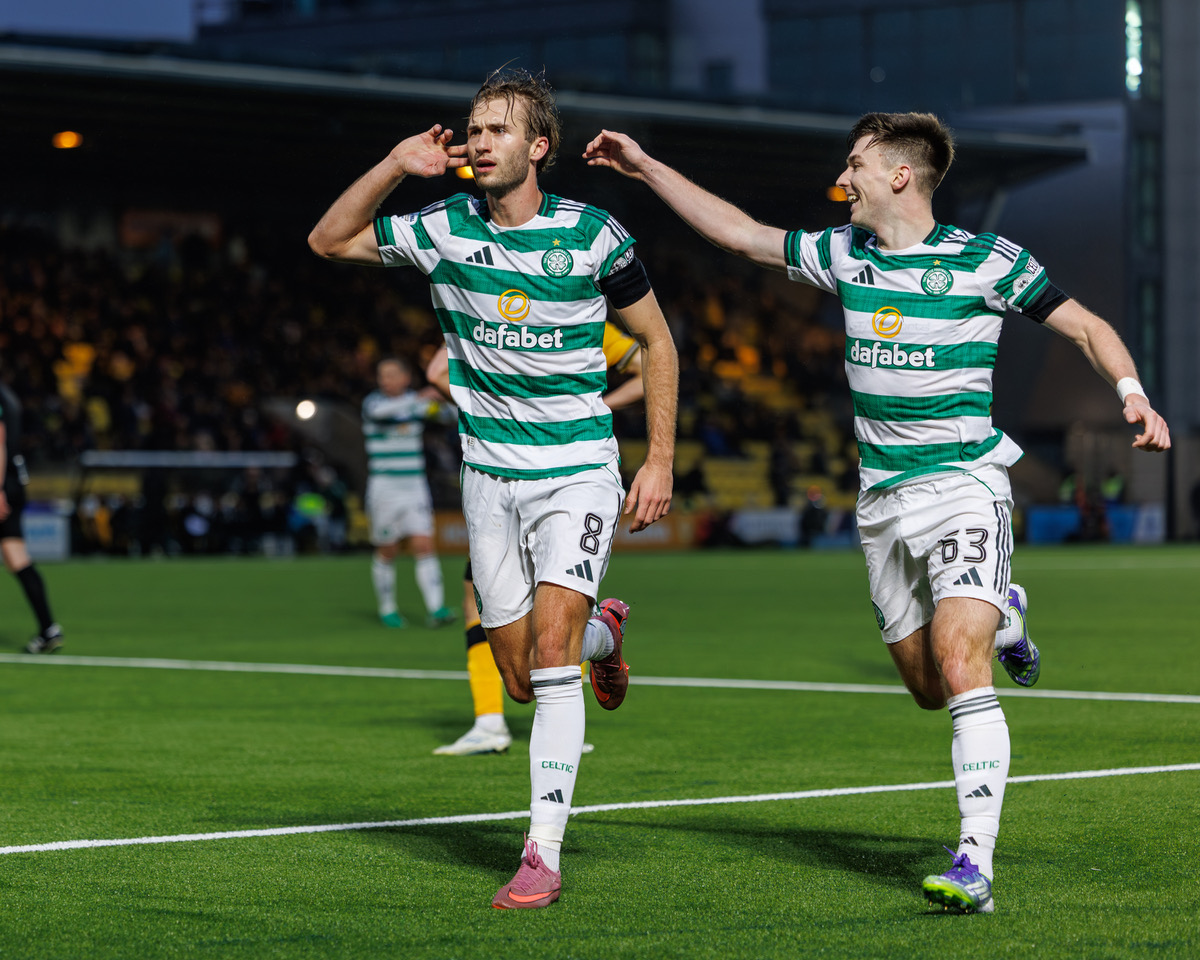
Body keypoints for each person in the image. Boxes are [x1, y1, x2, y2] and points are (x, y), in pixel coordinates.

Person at [584, 113, 1170, 914]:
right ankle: (1009, 620)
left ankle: (974, 860)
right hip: (882, 502)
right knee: (928, 688)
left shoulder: (985, 261)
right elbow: (744, 236)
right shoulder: (842, 253)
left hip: (965, 484)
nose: (843, 177)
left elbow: (1087, 327)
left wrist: (1132, 395)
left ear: (900, 175)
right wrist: (647, 166)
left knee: (960, 672)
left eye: (855, 164)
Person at [309, 67, 678, 909]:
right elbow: (328, 242)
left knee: (548, 660)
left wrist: (657, 459)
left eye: (498, 129)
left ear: (538, 146)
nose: (478, 141)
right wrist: (396, 165)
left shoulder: (593, 235)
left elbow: (657, 342)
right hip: (488, 479)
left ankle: (541, 852)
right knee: (519, 674)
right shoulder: (441, 226)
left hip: (577, 472)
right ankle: (604, 636)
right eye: (472, 128)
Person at [424, 323, 646, 756]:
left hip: (510, 468)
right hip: (565, 465)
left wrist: (497, 413)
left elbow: (436, 372)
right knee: (555, 613)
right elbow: (648, 364)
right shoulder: (586, 316)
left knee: (487, 600)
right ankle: (563, 715)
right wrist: (596, 404)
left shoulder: (492, 310)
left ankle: (493, 721)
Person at [362, 357, 457, 628]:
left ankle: (436, 609)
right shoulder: (374, 403)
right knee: (387, 549)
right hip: (385, 488)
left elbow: (450, 415)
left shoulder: (417, 405)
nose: (385, 380)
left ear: (405, 378)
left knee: (424, 544)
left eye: (391, 374)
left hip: (414, 486)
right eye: (382, 375)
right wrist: (421, 397)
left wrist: (442, 398)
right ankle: (388, 609)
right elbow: (380, 415)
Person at [0, 381, 63, 653]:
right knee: (16, 556)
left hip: (3, 483)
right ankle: (49, 629)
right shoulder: (7, 395)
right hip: (15, 479)